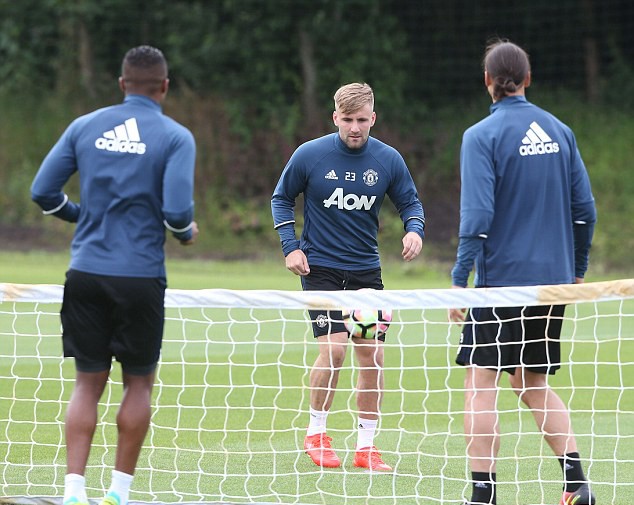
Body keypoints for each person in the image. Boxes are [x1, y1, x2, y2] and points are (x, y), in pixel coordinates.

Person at [31, 46, 198, 505]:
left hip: (85, 271)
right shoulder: (176, 136)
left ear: (121, 84)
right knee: (139, 383)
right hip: (140, 276)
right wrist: (185, 234)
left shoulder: (84, 126)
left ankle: (72, 493)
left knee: (87, 382)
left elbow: (42, 192)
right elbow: (179, 212)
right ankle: (119, 495)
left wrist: (79, 216)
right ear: (164, 87)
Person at [448, 40, 597, 505]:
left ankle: (482, 495)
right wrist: (577, 269)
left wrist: (458, 281)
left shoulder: (480, 136)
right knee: (531, 381)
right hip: (553, 282)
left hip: (501, 285)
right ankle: (577, 485)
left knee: (481, 380)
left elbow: (476, 218)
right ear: (528, 80)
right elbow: (585, 211)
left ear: (487, 82)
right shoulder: (561, 130)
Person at [271, 82, 425, 471]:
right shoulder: (311, 155)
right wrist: (291, 246)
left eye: (361, 120)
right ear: (334, 118)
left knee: (371, 356)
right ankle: (316, 434)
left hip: (365, 273)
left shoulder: (388, 159)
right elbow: (281, 198)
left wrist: (414, 229)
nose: (354, 127)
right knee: (335, 350)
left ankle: (366, 447)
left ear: (373, 118)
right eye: (347, 119)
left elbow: (410, 202)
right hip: (319, 270)